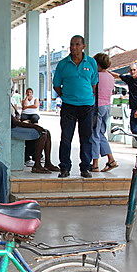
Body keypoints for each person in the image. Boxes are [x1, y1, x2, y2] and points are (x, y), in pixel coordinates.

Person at [52, 34, 98, 178]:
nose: (74, 47)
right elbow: (56, 85)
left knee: (86, 138)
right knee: (66, 138)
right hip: (68, 106)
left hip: (87, 106)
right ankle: (64, 168)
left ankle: (85, 168)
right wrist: (66, 96)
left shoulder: (91, 63)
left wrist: (85, 96)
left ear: (83, 46)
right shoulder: (63, 64)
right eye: (72, 44)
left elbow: (94, 84)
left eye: (77, 44)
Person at [90, 53, 118, 173]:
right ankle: (111, 160)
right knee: (101, 134)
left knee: (95, 135)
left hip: (97, 107)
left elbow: (92, 90)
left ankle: (95, 164)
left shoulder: (97, 76)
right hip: (107, 107)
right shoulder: (111, 77)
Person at [115, 63, 137, 135]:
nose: (132, 72)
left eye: (134, 70)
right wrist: (105, 70)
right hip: (133, 107)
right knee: (134, 128)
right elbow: (117, 75)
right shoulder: (129, 79)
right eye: (131, 70)